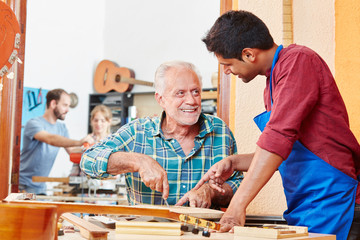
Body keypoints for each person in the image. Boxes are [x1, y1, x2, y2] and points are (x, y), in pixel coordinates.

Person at [195, 10, 360, 239]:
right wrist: (233, 162)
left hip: (336, 202)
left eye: (227, 63)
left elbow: (277, 138)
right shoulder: (272, 82)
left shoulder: (298, 61)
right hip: (307, 206)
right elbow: (285, 150)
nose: (226, 71)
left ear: (249, 54)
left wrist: (236, 206)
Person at [80, 60, 243, 207]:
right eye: (180, 93)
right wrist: (138, 161)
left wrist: (212, 191)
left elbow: (238, 185)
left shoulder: (220, 131)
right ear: (161, 99)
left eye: (196, 92)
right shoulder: (138, 132)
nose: (192, 101)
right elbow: (88, 160)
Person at [19, 88, 95, 195]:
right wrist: (79, 142)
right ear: (53, 103)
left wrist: (93, 152)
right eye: (65, 105)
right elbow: (51, 139)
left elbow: (72, 152)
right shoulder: (34, 123)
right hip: (24, 185)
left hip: (41, 185)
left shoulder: (61, 128)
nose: (68, 110)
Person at [69, 104, 113, 176]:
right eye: (96, 120)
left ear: (109, 122)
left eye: (103, 121)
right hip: (84, 183)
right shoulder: (86, 140)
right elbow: (77, 163)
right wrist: (72, 180)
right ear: (91, 121)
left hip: (107, 183)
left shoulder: (114, 141)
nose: (98, 124)